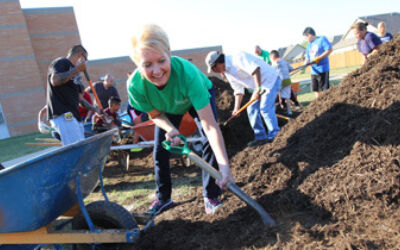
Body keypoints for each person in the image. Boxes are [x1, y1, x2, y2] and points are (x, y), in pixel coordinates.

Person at [128, 24, 234, 215]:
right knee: (160, 150)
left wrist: (225, 167)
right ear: (138, 64)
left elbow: (210, 127)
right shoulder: (136, 87)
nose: (157, 70)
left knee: (207, 141)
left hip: (195, 98)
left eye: (161, 60)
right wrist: (170, 129)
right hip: (167, 108)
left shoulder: (188, 75)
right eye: (147, 64)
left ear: (169, 54)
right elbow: (155, 115)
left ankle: (211, 195)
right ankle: (164, 198)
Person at [206, 50, 281, 147]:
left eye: (213, 69)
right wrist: (236, 109)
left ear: (218, 63)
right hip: (260, 85)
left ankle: (276, 135)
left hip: (270, 80)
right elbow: (238, 91)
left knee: (265, 108)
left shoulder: (237, 58)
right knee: (251, 109)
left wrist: (258, 90)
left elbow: (255, 70)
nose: (213, 71)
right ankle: (261, 137)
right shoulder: (228, 73)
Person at [46, 45, 99, 146]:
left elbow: (80, 100)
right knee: (75, 146)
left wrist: (96, 110)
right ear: (80, 55)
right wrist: (77, 70)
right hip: (63, 113)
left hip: (74, 115)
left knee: (81, 145)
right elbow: (55, 80)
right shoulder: (62, 62)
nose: (85, 62)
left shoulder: (76, 73)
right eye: (85, 59)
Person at [303, 27, 333, 98]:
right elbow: (307, 57)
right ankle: (318, 106)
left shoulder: (322, 39)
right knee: (316, 90)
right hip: (313, 71)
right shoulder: (309, 45)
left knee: (324, 90)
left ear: (309, 35)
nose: (306, 40)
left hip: (322, 69)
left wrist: (319, 58)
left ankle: (326, 103)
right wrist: (304, 64)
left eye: (305, 38)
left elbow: (329, 50)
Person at [270, 50, 294, 116]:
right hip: (287, 80)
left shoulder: (273, 64)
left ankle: (274, 110)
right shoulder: (284, 62)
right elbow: (291, 69)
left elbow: (271, 74)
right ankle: (289, 111)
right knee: (287, 97)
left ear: (273, 57)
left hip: (279, 81)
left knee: (274, 95)